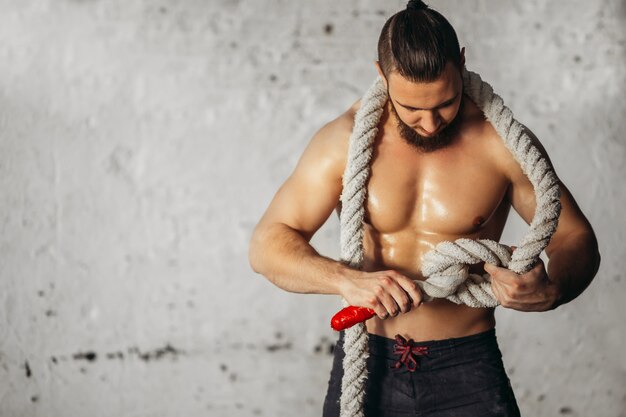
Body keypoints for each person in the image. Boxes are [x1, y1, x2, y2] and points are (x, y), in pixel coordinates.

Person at [248, 1, 601, 416]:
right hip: (368, 361)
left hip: (467, 366)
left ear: (462, 63)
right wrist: (346, 281)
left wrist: (552, 289)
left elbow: (576, 238)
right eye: (412, 109)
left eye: (445, 104)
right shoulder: (341, 143)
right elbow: (267, 245)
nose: (431, 124)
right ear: (382, 75)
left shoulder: (501, 144)